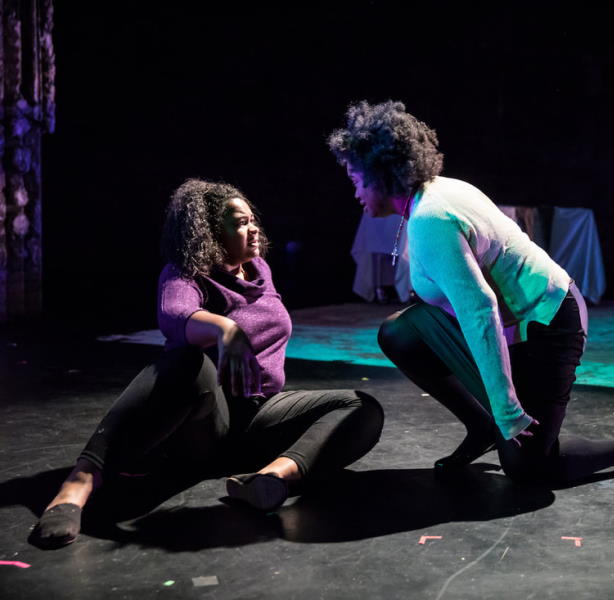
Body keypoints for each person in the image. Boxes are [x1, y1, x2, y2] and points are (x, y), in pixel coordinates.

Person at [31, 179, 384, 549]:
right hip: (203, 424)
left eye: (253, 220)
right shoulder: (184, 274)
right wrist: (224, 328)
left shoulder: (259, 269)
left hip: (260, 414)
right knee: (187, 362)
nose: (254, 228)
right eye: (241, 222)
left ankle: (270, 479)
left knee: (360, 407)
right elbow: (175, 315)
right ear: (212, 234)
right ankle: (81, 480)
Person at [328, 100, 614, 485]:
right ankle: (483, 428)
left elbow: (480, 310)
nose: (354, 192)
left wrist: (508, 411)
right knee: (401, 332)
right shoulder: (435, 194)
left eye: (356, 179)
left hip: (550, 324)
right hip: (517, 324)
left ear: (381, 174)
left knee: (530, 466)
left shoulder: (431, 217)